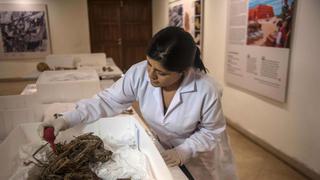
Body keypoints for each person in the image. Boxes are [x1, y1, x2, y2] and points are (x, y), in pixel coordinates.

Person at [38, 26, 237, 179]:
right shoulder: (139, 73)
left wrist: (185, 150)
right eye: (149, 64)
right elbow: (107, 100)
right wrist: (66, 120)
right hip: (165, 148)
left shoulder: (205, 90)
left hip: (201, 158)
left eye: (161, 72)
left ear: (184, 71)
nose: (151, 75)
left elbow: (211, 132)